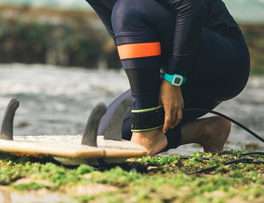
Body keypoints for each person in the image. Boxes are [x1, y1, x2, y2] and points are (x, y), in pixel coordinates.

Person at [86, 0, 250, 155]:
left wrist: (174, 79)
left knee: (126, 8)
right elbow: (126, 39)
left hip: (224, 65)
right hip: (185, 79)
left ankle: (147, 132)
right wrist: (152, 93)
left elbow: (192, 6)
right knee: (105, 134)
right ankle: (206, 131)